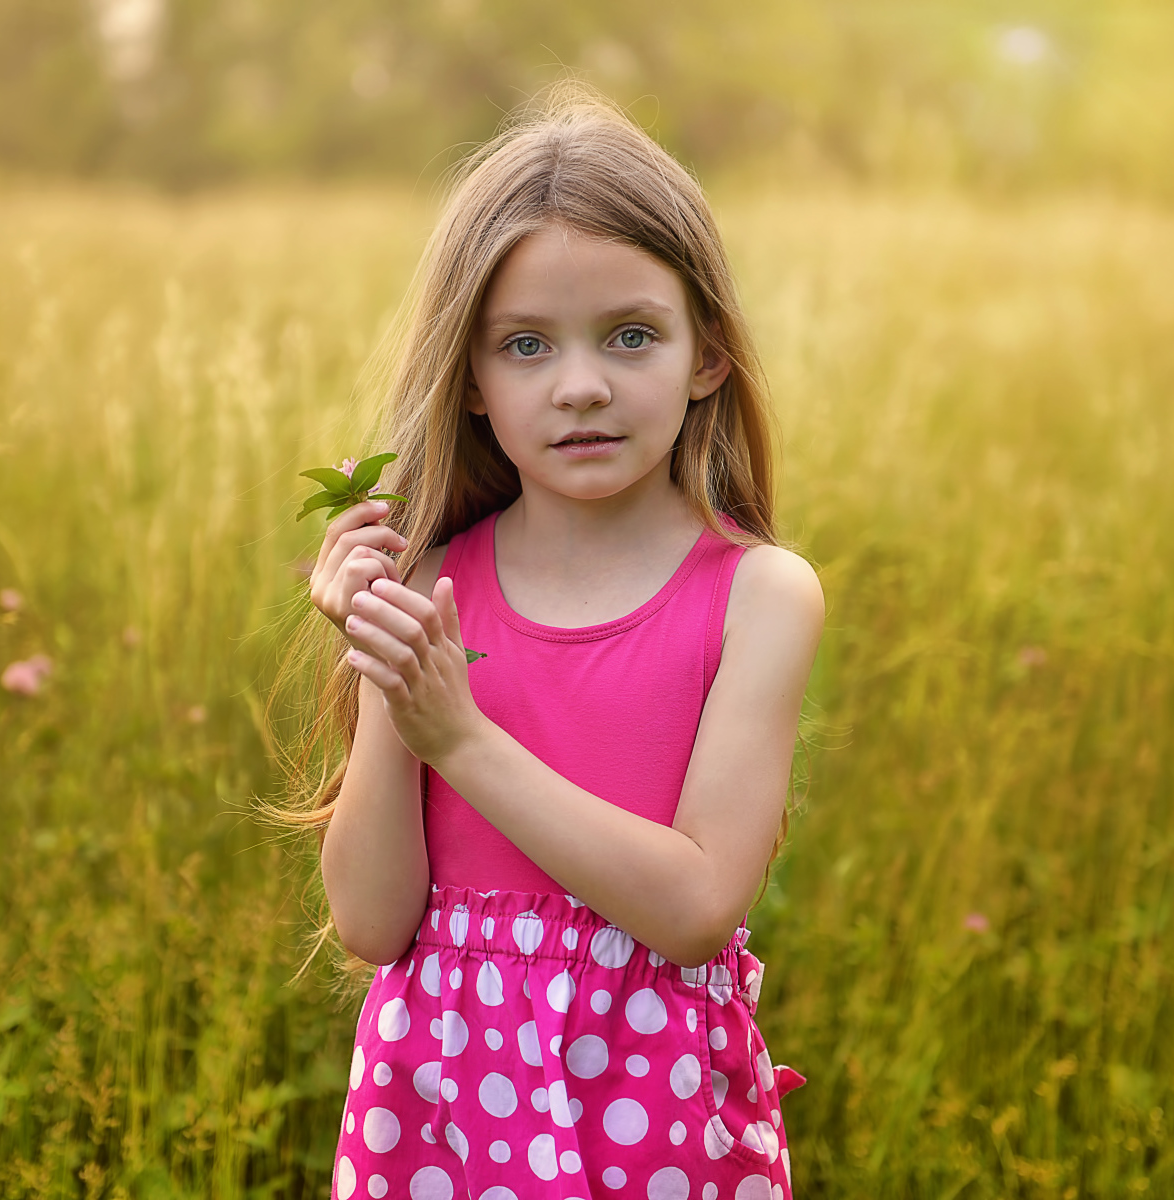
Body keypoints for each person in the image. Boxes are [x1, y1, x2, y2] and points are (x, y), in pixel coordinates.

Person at [294, 84, 824, 1199]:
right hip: (440, 1115)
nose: (580, 386)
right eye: (525, 346)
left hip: (652, 1122)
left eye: (631, 336)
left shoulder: (757, 597)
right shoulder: (436, 579)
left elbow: (689, 913)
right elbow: (372, 919)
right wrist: (386, 657)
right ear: (474, 383)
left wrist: (462, 738)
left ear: (707, 355)